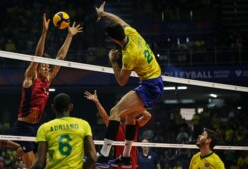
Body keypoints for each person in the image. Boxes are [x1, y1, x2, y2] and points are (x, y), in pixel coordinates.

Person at [95, 1, 163, 168]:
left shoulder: (129, 55)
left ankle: (103, 155)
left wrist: (113, 62)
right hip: (154, 82)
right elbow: (119, 20)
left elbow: (121, 81)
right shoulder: (132, 33)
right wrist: (103, 14)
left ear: (112, 39)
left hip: (150, 85)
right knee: (130, 117)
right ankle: (125, 158)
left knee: (115, 111)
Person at [12, 13, 82, 168]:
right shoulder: (30, 78)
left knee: (43, 163)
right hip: (23, 127)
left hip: (37, 127)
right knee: (31, 165)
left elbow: (60, 57)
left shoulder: (48, 79)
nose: (46, 66)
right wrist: (44, 32)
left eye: (47, 65)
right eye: (44, 64)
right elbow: (37, 56)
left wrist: (70, 36)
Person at [84, 90, 151, 169]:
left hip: (132, 165)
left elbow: (148, 116)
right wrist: (97, 102)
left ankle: (112, 156)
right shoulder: (115, 126)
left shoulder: (135, 124)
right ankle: (105, 155)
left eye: (120, 109)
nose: (119, 111)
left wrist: (135, 105)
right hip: (118, 165)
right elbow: (105, 117)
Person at [31, 93, 97, 169]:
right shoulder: (83, 125)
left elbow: (39, 163)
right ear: (71, 107)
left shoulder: (44, 128)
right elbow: (92, 158)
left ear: (53, 107)